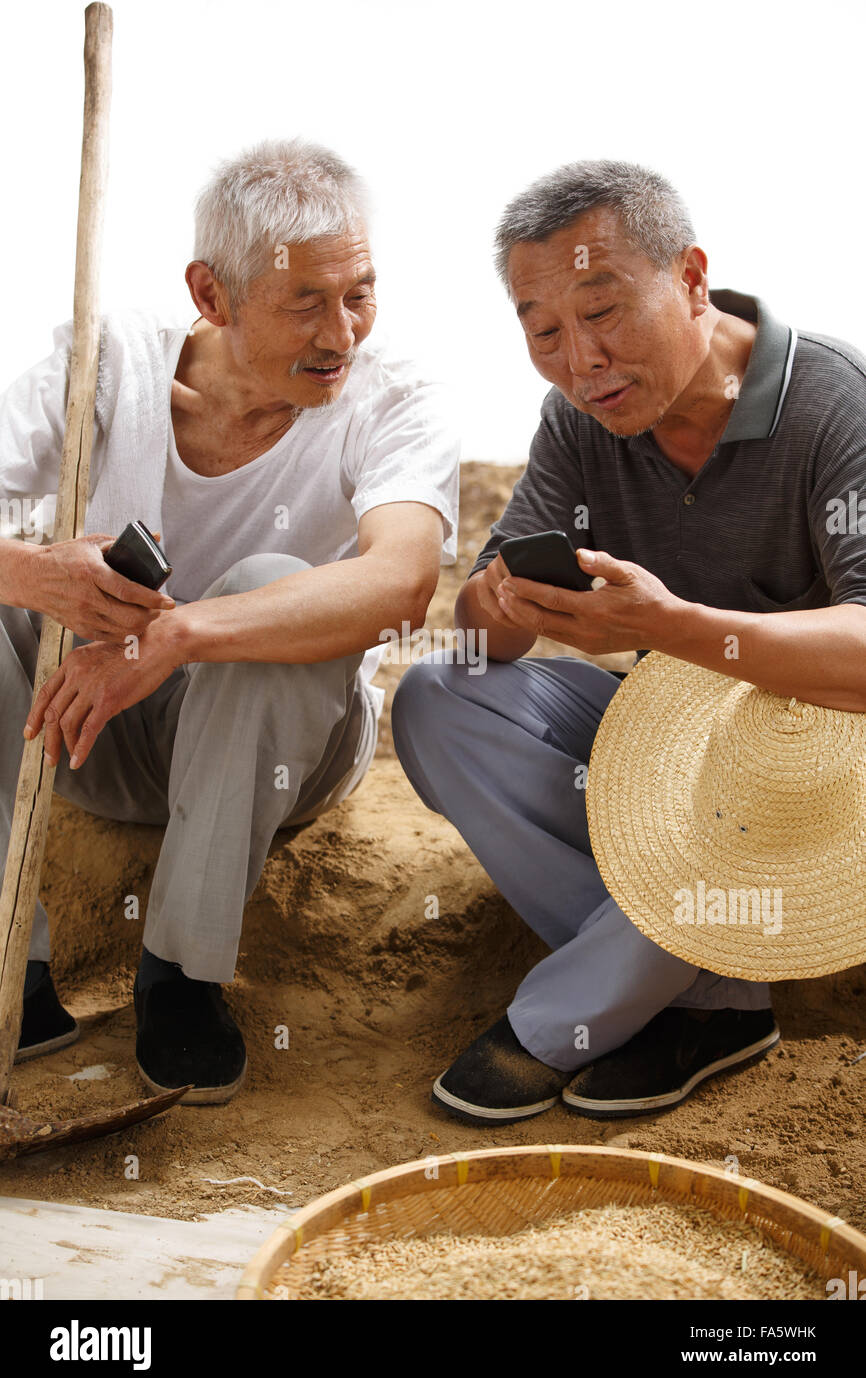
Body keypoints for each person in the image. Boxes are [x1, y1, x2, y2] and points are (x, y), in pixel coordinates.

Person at [392, 159, 866, 1125]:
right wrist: (509, 600)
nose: (581, 361)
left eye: (603, 312)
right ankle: (708, 1002)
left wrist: (673, 630)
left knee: (733, 799)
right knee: (438, 698)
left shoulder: (836, 403)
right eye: (544, 332)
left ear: (692, 278)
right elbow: (481, 642)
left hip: (820, 768)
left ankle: (561, 1018)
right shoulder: (577, 420)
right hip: (673, 748)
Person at [0, 138, 459, 1104]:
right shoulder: (108, 360)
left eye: (360, 294)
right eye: (306, 303)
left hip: (284, 748)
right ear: (210, 294)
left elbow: (403, 582)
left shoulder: (397, 398)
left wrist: (180, 634)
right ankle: (15, 971)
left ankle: (181, 974)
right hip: (94, 727)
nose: (342, 334)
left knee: (272, 585)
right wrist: (37, 571)